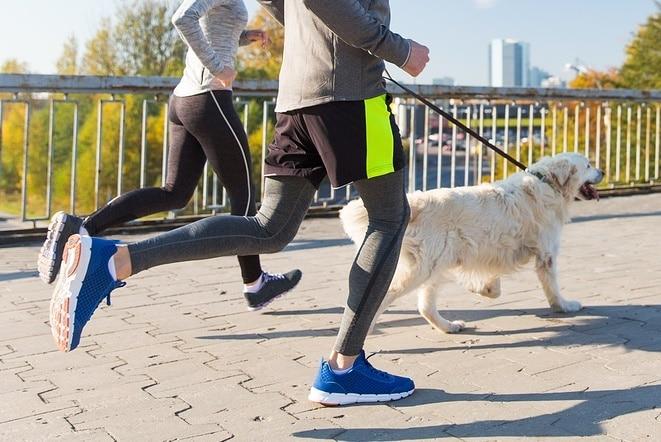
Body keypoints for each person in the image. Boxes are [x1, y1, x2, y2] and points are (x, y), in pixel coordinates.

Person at [49, 0, 430, 406]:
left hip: (298, 98)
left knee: (270, 228)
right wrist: (399, 49)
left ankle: (114, 260)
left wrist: (318, 33)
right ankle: (344, 368)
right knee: (389, 219)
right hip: (351, 100)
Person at [38, 0, 301, 310]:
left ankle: (81, 227)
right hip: (208, 97)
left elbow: (209, 27)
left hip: (186, 99)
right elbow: (183, 18)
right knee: (243, 197)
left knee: (174, 193)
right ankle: (255, 284)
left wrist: (244, 37)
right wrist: (218, 67)